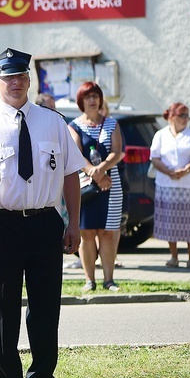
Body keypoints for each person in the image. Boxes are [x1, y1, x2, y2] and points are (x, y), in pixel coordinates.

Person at [0, 48, 84, 378]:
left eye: (21, 77)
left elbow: (70, 174)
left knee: (46, 307)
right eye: (8, 78)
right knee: (2, 308)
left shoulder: (54, 122)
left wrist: (73, 223)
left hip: (47, 222)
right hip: (0, 226)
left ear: (29, 80)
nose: (15, 84)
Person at [67, 82, 125, 292]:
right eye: (87, 96)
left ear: (100, 100)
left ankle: (109, 280)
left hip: (111, 186)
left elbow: (117, 152)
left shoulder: (112, 124)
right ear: (81, 101)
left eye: (95, 96)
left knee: (108, 232)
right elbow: (76, 154)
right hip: (85, 186)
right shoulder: (73, 125)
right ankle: (89, 280)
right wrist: (93, 172)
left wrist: (101, 169)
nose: (92, 100)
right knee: (87, 233)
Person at [150, 102, 190, 269]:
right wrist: (168, 171)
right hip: (166, 184)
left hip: (189, 185)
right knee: (170, 222)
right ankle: (174, 256)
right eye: (182, 115)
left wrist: (186, 170)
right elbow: (154, 157)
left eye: (187, 115)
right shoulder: (161, 135)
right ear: (172, 117)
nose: (186, 119)